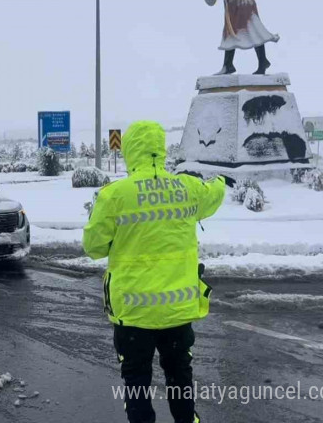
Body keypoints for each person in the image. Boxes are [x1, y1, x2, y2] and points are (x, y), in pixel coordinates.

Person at [83, 121, 231, 423]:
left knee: (136, 381)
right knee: (180, 377)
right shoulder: (187, 188)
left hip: (133, 313)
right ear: (161, 149)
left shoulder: (115, 195)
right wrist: (220, 181)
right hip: (177, 309)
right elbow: (214, 194)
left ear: (129, 151)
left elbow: (94, 247)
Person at [215, 0, 279, 75]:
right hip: (242, 2)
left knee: (247, 32)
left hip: (239, 3)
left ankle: (229, 65)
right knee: (242, 32)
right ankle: (229, 64)